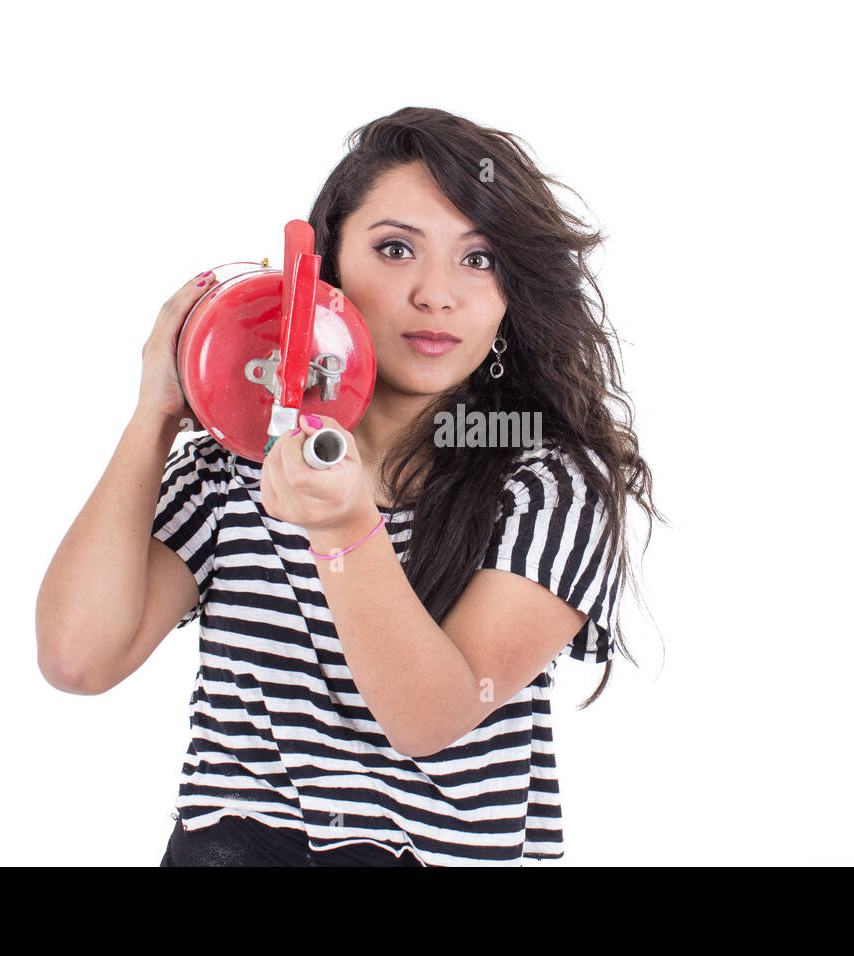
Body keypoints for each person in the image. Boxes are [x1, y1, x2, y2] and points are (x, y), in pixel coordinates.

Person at [36, 106, 663, 867]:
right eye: (396, 249)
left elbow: (430, 718)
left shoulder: (547, 487)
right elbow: (77, 659)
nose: (438, 294)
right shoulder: (239, 466)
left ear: (511, 292)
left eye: (479, 259)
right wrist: (158, 412)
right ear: (327, 269)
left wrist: (341, 529)